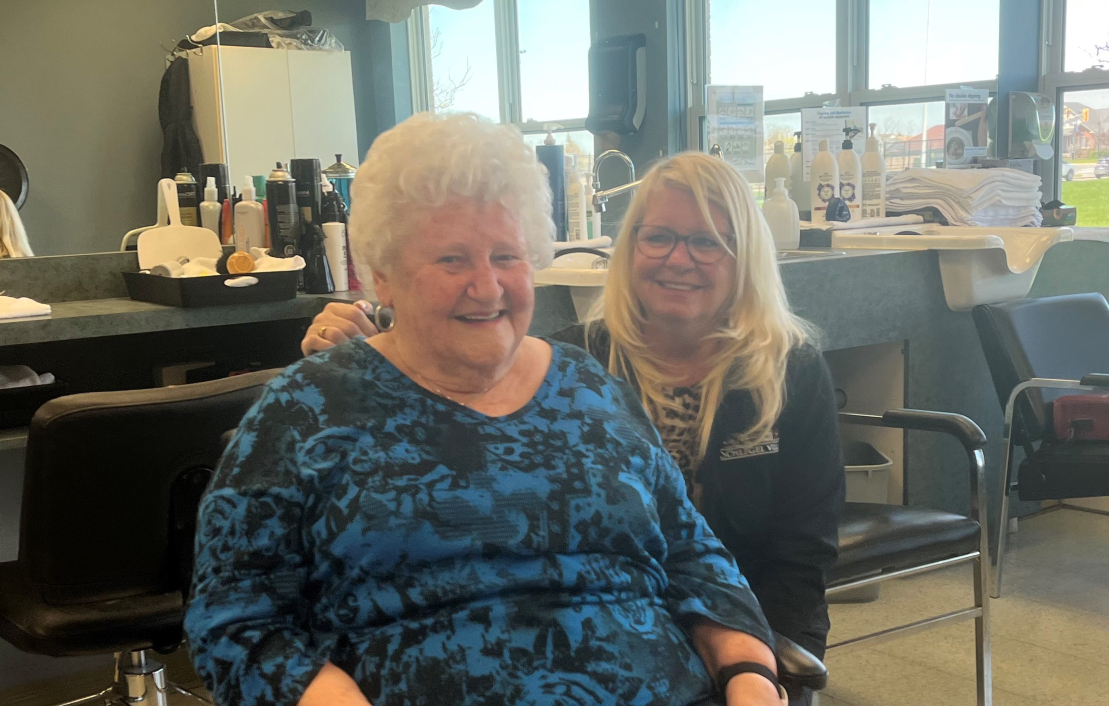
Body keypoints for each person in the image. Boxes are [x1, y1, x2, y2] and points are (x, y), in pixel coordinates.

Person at [186, 112, 787, 706]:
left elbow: (694, 557)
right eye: (453, 259)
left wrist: (750, 678)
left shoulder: (590, 386)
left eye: (507, 257)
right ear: (383, 276)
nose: (488, 286)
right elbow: (235, 618)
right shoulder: (305, 408)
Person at [301, 151, 846, 701]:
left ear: (744, 254)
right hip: (598, 637)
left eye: (707, 241)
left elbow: (800, 557)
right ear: (630, 247)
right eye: (658, 237)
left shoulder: (789, 373)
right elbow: (446, 383)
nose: (680, 259)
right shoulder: (571, 364)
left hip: (742, 635)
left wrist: (760, 667)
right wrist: (366, 341)